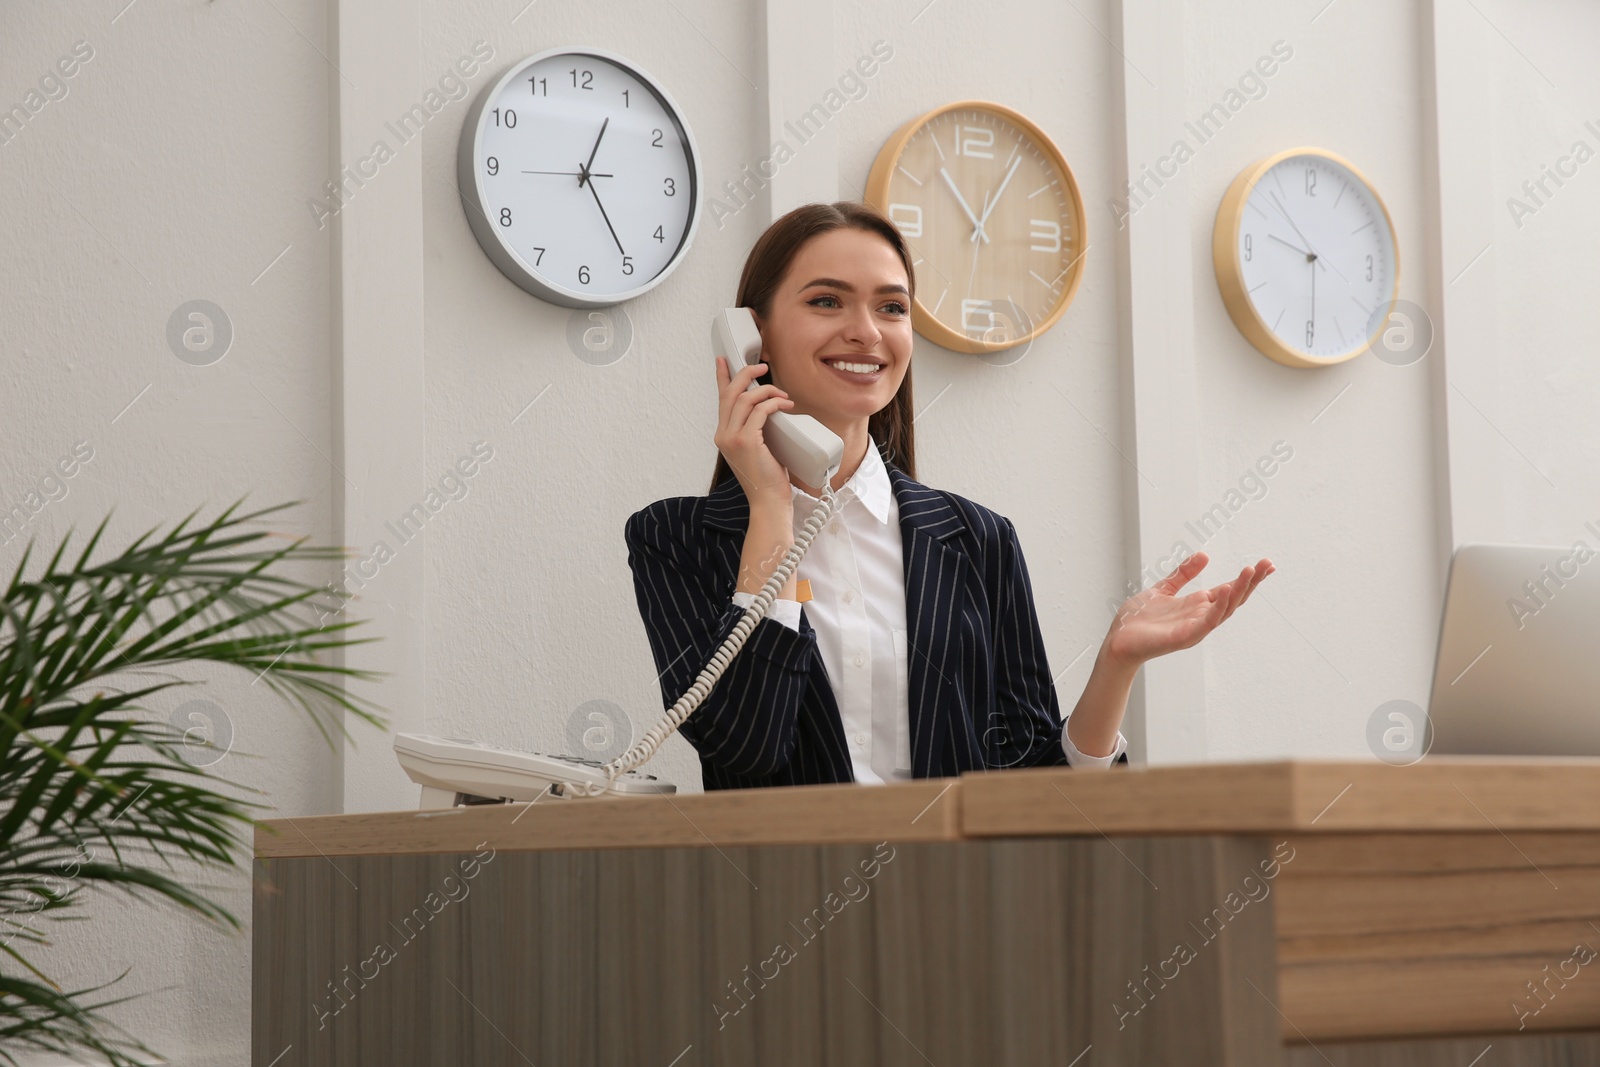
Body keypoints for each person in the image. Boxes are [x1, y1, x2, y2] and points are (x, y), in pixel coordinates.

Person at [625, 201, 1273, 791]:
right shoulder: (674, 539)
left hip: (962, 908)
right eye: (827, 301)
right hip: (783, 909)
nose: (867, 332)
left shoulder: (978, 538)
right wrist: (770, 509)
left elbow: (1035, 793)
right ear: (750, 335)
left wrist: (1115, 665)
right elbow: (746, 747)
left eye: (892, 306)